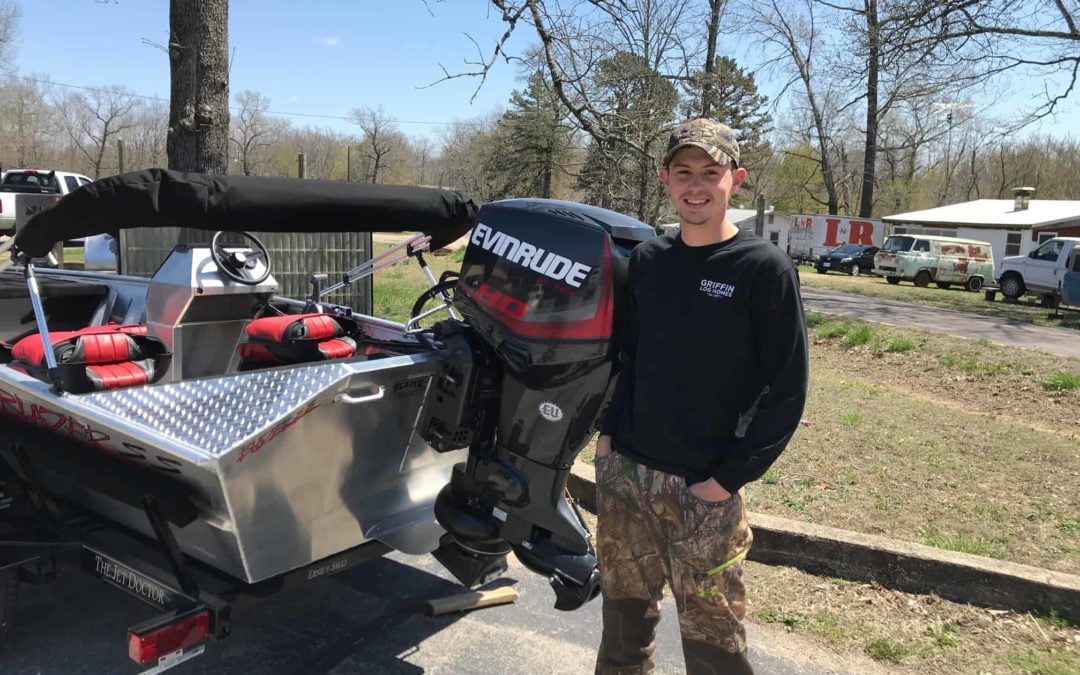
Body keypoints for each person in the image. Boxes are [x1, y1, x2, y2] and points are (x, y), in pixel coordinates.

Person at [594, 118, 809, 674]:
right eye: (684, 172)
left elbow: (786, 389)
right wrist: (608, 437)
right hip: (628, 478)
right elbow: (630, 358)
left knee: (715, 646)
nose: (696, 185)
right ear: (666, 180)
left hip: (703, 491)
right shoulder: (649, 261)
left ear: (734, 180)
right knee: (623, 628)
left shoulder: (764, 269)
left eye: (710, 173)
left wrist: (727, 480)